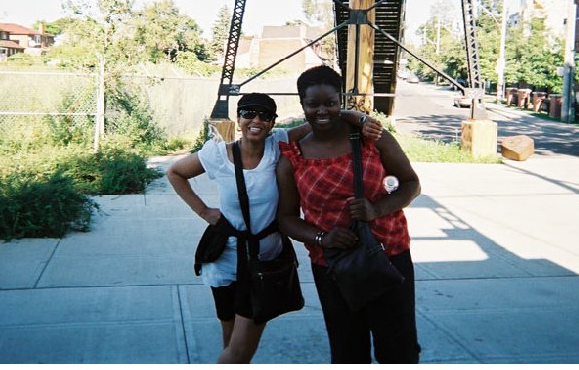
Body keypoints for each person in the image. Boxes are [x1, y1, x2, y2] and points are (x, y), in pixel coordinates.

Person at [166, 92, 382, 364]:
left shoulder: (277, 143)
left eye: (265, 116)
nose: (256, 121)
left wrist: (361, 118)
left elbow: (323, 118)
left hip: (263, 263)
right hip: (223, 260)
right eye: (249, 113)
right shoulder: (218, 154)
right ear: (239, 118)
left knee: (238, 352)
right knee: (232, 346)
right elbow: (175, 173)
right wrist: (204, 211)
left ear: (272, 123)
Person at [276, 65, 422, 364]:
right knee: (347, 350)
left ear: (340, 99)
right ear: (301, 104)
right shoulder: (293, 155)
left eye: (330, 103)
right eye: (312, 104)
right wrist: (322, 237)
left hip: (388, 256)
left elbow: (411, 183)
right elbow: (286, 219)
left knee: (399, 349)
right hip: (333, 266)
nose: (321, 111)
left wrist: (377, 209)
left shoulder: (371, 137)